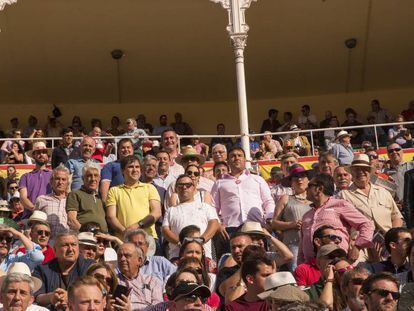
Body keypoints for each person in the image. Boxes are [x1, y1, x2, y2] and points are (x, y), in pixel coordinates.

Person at [211, 147, 274, 257]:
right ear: (228, 161)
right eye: (233, 156)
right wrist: (218, 225)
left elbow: (268, 201)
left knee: (258, 263)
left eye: (239, 155)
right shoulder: (219, 183)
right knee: (230, 264)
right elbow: (213, 207)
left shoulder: (257, 179)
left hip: (256, 228)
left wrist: (269, 219)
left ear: (245, 160)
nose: (236, 158)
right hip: (230, 229)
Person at [299, 173, 374, 264]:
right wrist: (300, 265)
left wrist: (357, 247)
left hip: (338, 263)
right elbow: (302, 246)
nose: (306, 189)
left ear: (319, 189)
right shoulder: (306, 215)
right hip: (311, 267)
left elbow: (366, 224)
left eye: (309, 186)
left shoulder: (339, 204)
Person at [338, 154, 403, 233]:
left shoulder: (383, 192)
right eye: (357, 169)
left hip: (387, 240)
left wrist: (392, 236)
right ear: (351, 172)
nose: (361, 172)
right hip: (361, 242)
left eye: (364, 169)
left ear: (370, 172)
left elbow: (397, 217)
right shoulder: (343, 195)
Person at [33, 230, 95, 309]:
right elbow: (38, 297)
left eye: (73, 245)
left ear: (78, 248)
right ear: (55, 250)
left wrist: (70, 296)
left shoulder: (90, 267)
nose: (70, 249)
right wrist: (51, 297)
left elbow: (96, 293)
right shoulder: (42, 269)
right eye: (65, 245)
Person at [163, 174, 219, 260]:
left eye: (188, 185)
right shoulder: (170, 210)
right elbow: (165, 230)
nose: (184, 187)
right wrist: (180, 242)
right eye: (180, 185)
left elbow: (214, 224)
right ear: (176, 189)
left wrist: (201, 240)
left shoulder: (206, 207)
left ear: (194, 187)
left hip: (203, 255)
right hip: (177, 255)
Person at [106, 155, 161, 239]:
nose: (135, 170)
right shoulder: (114, 190)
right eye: (131, 167)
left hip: (147, 239)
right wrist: (125, 232)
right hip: (125, 240)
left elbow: (156, 213)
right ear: (122, 170)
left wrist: (138, 225)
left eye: (137, 167)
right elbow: (111, 216)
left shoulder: (150, 188)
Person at [272, 164, 312, 270]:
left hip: (313, 243)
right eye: (295, 177)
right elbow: (274, 222)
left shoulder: (315, 199)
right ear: (291, 182)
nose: (299, 180)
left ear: (308, 180)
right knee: (297, 273)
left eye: (302, 176)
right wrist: (292, 224)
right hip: (294, 244)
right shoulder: (285, 198)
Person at [116, 243, 163, 310]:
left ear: (139, 261)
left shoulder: (152, 281)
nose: (122, 259)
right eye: (119, 256)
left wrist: (132, 308)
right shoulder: (113, 281)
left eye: (127, 256)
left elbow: (158, 308)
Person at [66, 161, 108, 232]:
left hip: (102, 239)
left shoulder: (100, 198)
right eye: (89, 175)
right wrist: (87, 234)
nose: (93, 179)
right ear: (83, 178)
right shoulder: (75, 194)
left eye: (96, 175)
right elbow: (71, 220)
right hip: (85, 238)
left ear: (99, 178)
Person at [35, 164, 70, 240]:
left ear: (68, 183)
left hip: (66, 242)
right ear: (51, 181)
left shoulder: (73, 201)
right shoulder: (41, 199)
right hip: (47, 241)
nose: (60, 182)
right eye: (57, 179)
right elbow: (35, 223)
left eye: (63, 179)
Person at [215, 233, 252, 301]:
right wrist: (245, 264)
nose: (236, 251)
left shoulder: (261, 269)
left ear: (251, 247)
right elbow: (229, 298)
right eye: (233, 247)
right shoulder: (225, 272)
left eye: (240, 246)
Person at [19, 142, 53, 211]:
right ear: (33, 155)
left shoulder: (54, 175)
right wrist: (35, 210)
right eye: (38, 153)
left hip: (50, 215)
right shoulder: (25, 176)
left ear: (47, 155)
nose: (41, 154)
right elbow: (23, 198)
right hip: (29, 216)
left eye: (44, 152)